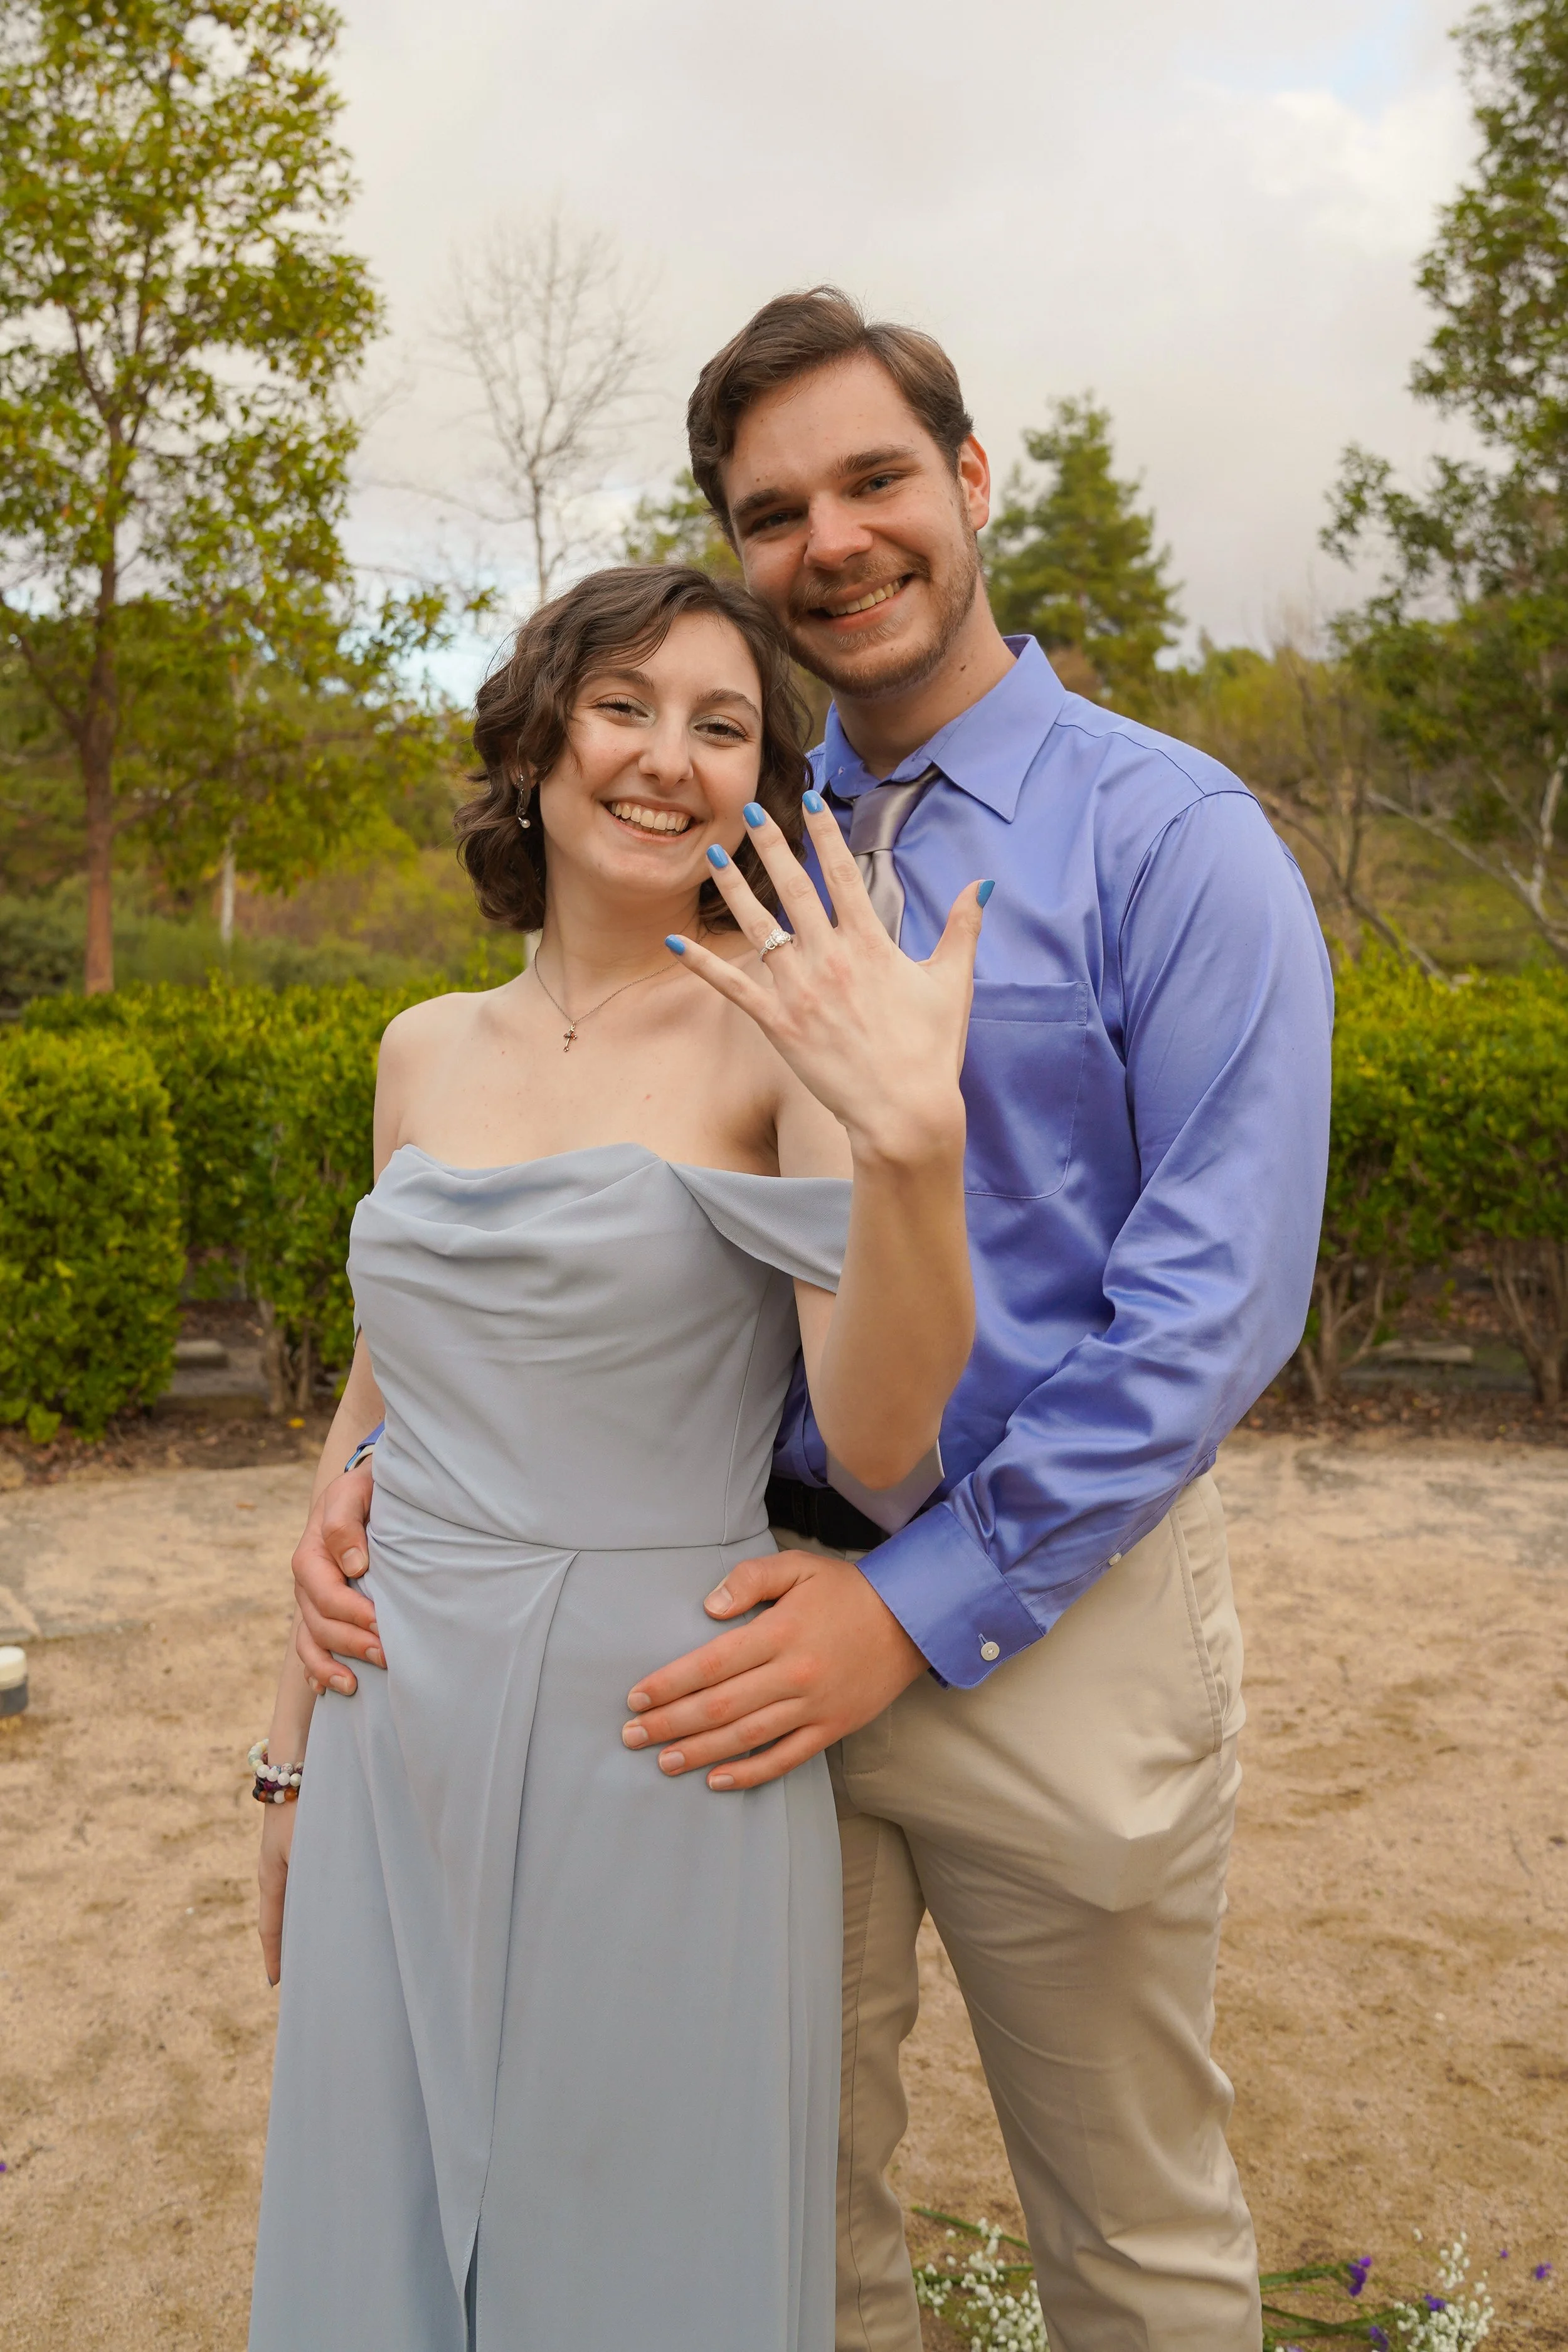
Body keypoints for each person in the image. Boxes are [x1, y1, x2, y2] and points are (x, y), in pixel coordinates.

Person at [292, 290, 1335, 2352]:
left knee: (1128, 2235)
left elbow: (1214, 1303)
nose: (830, 539)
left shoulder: (1173, 839)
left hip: (1055, 1623)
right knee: (785, 2226)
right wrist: (375, 1479)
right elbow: (550, 1197)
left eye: (872, 480)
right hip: (727, 1644)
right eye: (773, 511)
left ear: (965, 481)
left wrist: (917, 1592)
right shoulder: (726, 838)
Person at [248, 561, 988, 2352]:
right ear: (539, 739)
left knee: (635, 2249)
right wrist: (283, 1756)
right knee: (385, 2224)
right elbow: (380, 1391)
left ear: (765, 779)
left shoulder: (777, 1032)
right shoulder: (418, 1048)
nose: (667, 756)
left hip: (657, 1730)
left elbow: (884, 1434)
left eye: (721, 724)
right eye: (624, 705)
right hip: (388, 1723)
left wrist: (909, 1148)